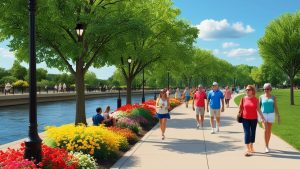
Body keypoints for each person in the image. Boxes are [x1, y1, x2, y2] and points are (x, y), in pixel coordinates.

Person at [239, 85, 265, 156]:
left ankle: (251, 146)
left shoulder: (256, 99)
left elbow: (258, 109)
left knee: (253, 133)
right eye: (246, 90)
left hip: (254, 119)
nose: (247, 91)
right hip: (245, 118)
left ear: (252, 91)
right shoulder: (243, 98)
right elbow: (240, 107)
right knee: (247, 132)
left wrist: (262, 117)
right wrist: (239, 113)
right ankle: (247, 149)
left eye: (249, 90)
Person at [259, 83, 280, 153]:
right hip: (263, 115)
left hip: (271, 114)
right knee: (265, 129)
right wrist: (258, 116)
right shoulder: (261, 97)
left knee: (269, 131)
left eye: (267, 89)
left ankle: (267, 144)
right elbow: (258, 108)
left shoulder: (273, 97)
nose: (266, 90)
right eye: (265, 89)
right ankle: (266, 146)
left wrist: (278, 116)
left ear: (270, 89)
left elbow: (275, 107)